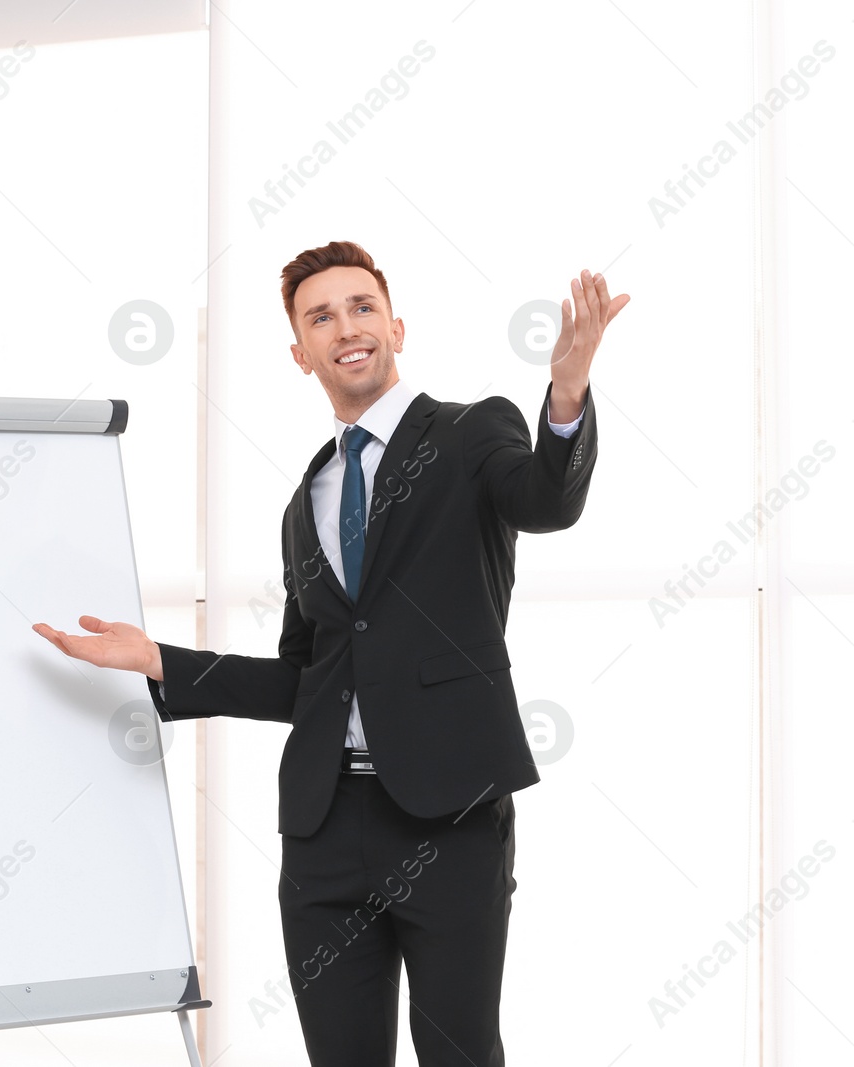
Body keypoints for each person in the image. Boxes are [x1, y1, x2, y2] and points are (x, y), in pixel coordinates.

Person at [33, 240, 628, 1065]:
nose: (345, 327)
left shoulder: (469, 432)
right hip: (324, 830)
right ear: (300, 351)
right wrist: (158, 659)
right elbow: (305, 680)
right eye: (321, 316)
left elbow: (546, 501)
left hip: (448, 818)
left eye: (361, 307)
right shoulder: (304, 500)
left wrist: (566, 394)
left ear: (396, 326)